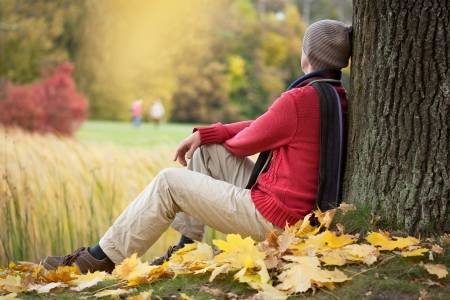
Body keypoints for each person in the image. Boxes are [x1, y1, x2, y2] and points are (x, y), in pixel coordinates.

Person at [42, 20, 352, 273]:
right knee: (209, 152)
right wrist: (207, 136)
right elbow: (266, 125)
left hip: (276, 218)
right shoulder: (336, 97)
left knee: (168, 183)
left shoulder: (299, 99)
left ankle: (98, 259)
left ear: (306, 54)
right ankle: (186, 247)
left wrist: (218, 133)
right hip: (300, 213)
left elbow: (248, 141)